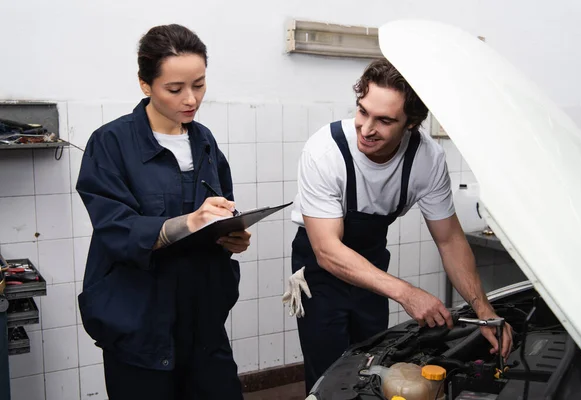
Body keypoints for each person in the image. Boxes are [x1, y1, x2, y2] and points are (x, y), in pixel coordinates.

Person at [287, 58, 513, 394]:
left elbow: (449, 239)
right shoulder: (325, 151)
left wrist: (483, 310)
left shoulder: (427, 159)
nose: (366, 129)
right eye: (362, 112)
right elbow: (327, 250)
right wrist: (407, 293)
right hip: (321, 272)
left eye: (384, 120)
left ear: (412, 123)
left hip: (373, 265)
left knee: (372, 362)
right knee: (329, 372)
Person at [76, 24, 250, 400]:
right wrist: (188, 222)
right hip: (139, 323)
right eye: (175, 89)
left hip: (202, 323)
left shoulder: (204, 142)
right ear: (145, 84)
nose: (191, 99)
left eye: (199, 85)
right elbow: (116, 230)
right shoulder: (111, 143)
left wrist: (231, 237)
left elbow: (221, 208)